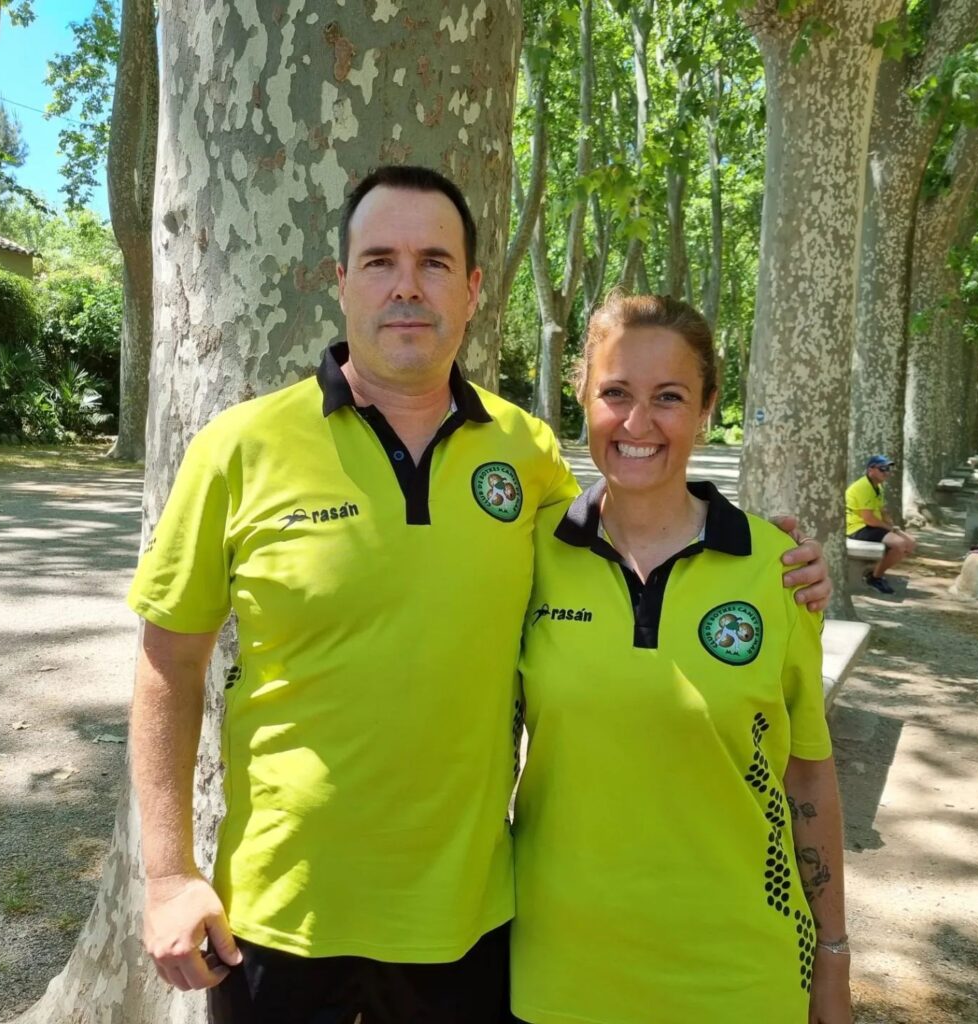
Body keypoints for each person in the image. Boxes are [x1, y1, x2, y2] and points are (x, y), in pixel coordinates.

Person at [126, 167, 832, 1024]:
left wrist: (770, 561)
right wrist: (168, 875)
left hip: (470, 923)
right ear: (340, 281)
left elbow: (636, 523)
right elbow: (169, 661)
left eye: (434, 262)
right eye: (380, 261)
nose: (406, 286)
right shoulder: (239, 448)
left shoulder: (527, 454)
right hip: (280, 916)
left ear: (471, 290)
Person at [510, 292, 849, 1024]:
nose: (638, 423)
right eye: (615, 393)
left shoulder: (778, 569)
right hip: (559, 966)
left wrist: (833, 955)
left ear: (706, 409)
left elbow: (807, 773)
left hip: (738, 972)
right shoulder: (528, 553)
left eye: (668, 397)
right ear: (581, 397)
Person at [845, 455, 916, 594]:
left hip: (871, 526)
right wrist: (890, 529)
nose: (886, 472)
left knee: (911, 543)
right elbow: (869, 519)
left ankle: (876, 570)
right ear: (870, 470)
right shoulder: (863, 487)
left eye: (888, 469)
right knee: (900, 544)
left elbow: (882, 511)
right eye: (882, 469)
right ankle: (875, 578)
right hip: (858, 528)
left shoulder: (878, 487)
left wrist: (893, 526)